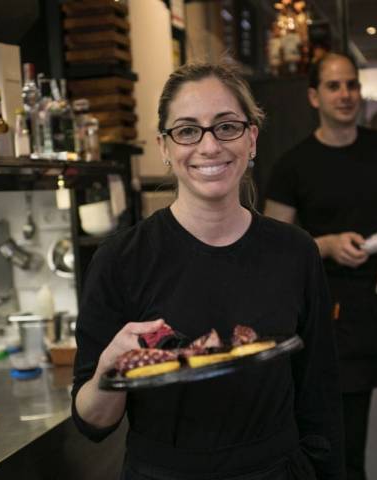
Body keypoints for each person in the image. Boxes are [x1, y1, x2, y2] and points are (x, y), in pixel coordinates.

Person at [72, 61, 345, 480]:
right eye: (186, 130)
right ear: (164, 146)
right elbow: (93, 423)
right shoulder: (120, 260)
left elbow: (320, 397)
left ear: (251, 138)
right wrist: (110, 371)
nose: (209, 146)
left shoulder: (295, 252)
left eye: (226, 126)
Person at [264, 52, 377, 480]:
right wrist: (324, 244)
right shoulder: (293, 165)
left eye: (352, 85)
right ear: (313, 95)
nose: (345, 95)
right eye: (334, 86)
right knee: (343, 449)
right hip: (336, 314)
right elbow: (270, 246)